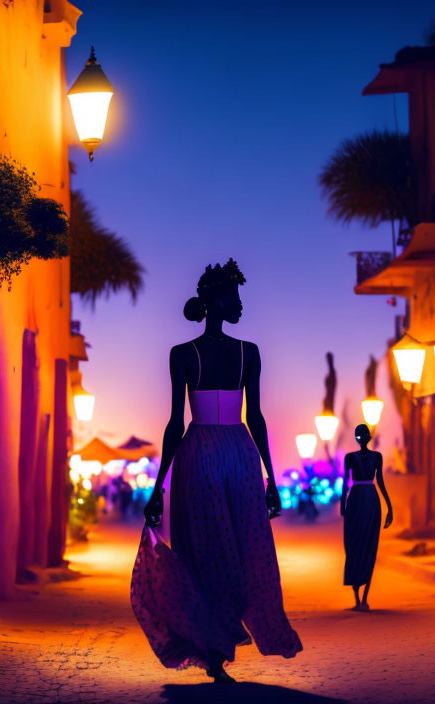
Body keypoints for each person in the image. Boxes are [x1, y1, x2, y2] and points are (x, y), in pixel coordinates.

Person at [130, 258, 302, 683]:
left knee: (207, 553)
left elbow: (175, 425)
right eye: (235, 297)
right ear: (217, 301)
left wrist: (159, 486)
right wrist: (271, 478)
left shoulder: (183, 355)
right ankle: (219, 646)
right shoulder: (248, 354)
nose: (241, 305)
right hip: (240, 455)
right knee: (244, 552)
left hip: (199, 455)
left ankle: (216, 649)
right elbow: (256, 418)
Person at [339, 424, 393, 611]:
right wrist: (342, 503)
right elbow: (345, 482)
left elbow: (381, 482)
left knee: (370, 545)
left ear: (368, 437)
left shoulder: (377, 457)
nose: (361, 438)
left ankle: (364, 598)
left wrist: (389, 507)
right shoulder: (350, 458)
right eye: (358, 435)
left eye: (363, 435)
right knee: (354, 545)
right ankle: (357, 597)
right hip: (358, 499)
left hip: (369, 500)